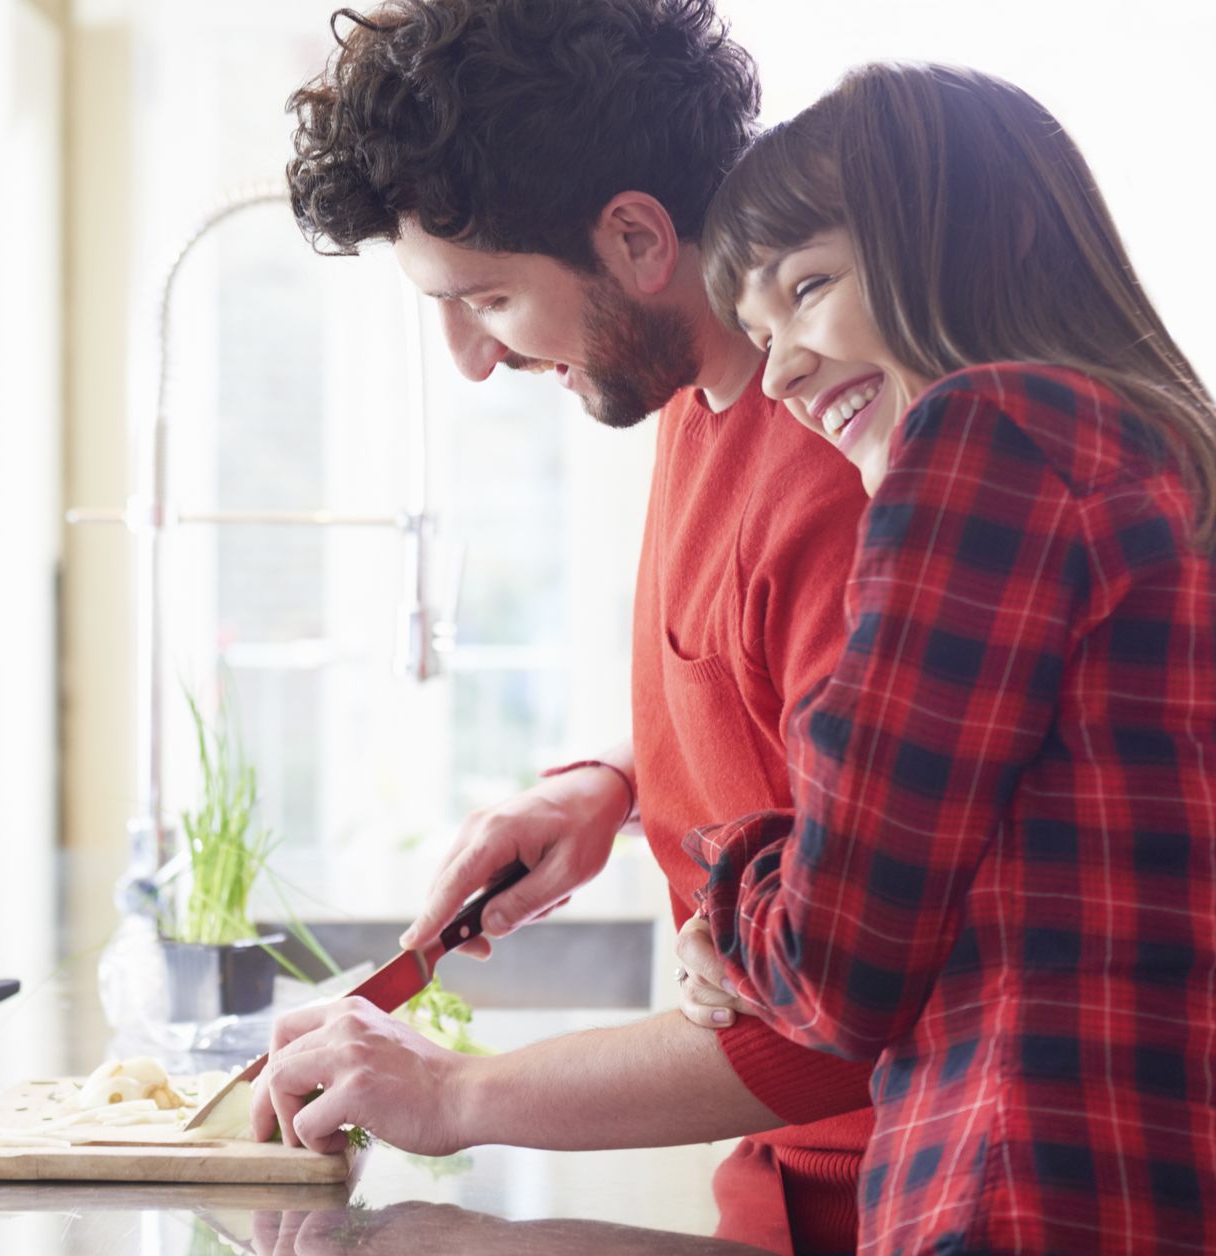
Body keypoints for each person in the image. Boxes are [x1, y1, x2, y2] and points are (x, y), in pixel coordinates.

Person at [253, 3, 876, 1249]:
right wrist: (619, 784)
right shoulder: (695, 398)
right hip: (779, 1189)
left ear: (638, 236)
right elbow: (801, 726)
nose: (474, 359)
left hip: (887, 1201)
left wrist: (450, 1090)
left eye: (485, 297)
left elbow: (831, 1019)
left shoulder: (834, 469)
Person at [670, 62, 1216, 1252]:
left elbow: (837, 971)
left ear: (994, 234)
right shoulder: (1200, 483)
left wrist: (728, 886)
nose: (777, 373)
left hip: (1015, 1196)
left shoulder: (987, 435)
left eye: (810, 286)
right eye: (759, 332)